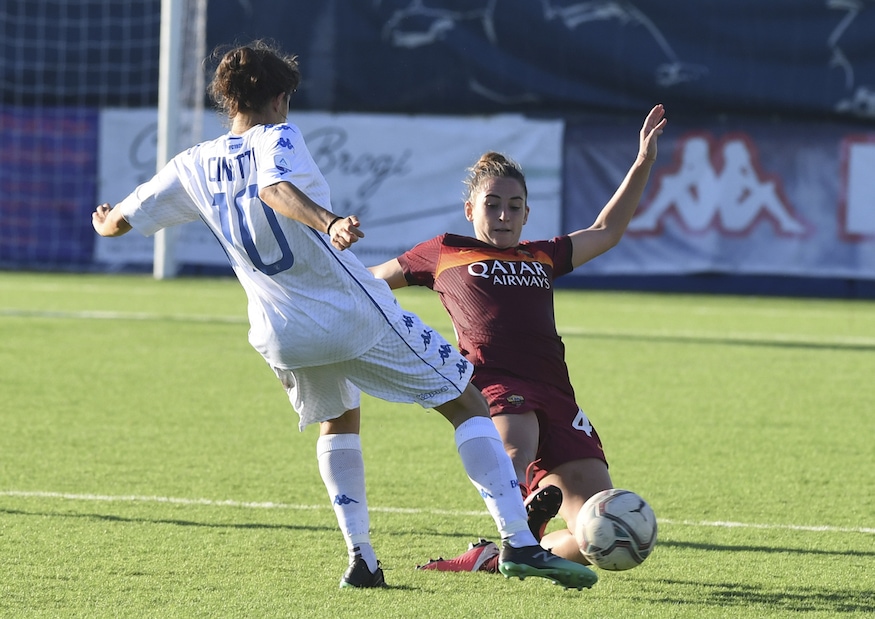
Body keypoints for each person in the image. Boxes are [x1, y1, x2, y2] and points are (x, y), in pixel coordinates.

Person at [91, 40, 599, 590]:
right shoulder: (278, 136)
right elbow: (274, 188)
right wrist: (328, 219)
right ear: (281, 97)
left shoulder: (191, 164)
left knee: (338, 420)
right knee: (466, 401)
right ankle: (520, 543)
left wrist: (103, 222)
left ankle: (362, 559)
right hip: (349, 310)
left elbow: (118, 221)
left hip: (280, 331)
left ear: (226, 98)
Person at [369, 104, 667, 572]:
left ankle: (499, 554)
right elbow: (370, 281)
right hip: (495, 380)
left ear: (527, 213)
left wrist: (643, 161)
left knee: (597, 528)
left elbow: (606, 231)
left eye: (513, 207)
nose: (503, 215)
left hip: (558, 393)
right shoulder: (444, 251)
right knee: (513, 452)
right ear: (470, 209)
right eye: (492, 204)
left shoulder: (541, 256)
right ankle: (515, 530)